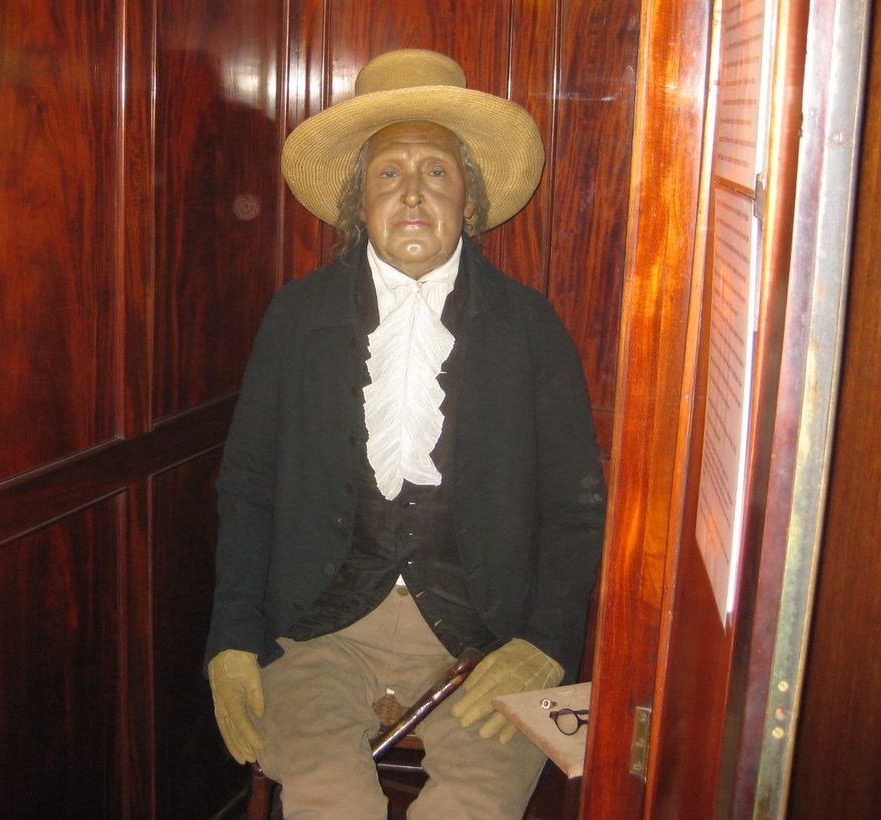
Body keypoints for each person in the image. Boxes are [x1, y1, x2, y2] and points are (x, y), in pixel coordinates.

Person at [204, 48, 605, 818]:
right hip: (316, 632)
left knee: (477, 806)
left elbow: (574, 509)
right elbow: (248, 489)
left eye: (437, 172)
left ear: (469, 201)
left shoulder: (530, 327)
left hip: (482, 641)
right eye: (389, 172)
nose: (413, 194)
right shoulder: (297, 317)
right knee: (330, 802)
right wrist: (231, 641)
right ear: (359, 201)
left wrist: (542, 645)